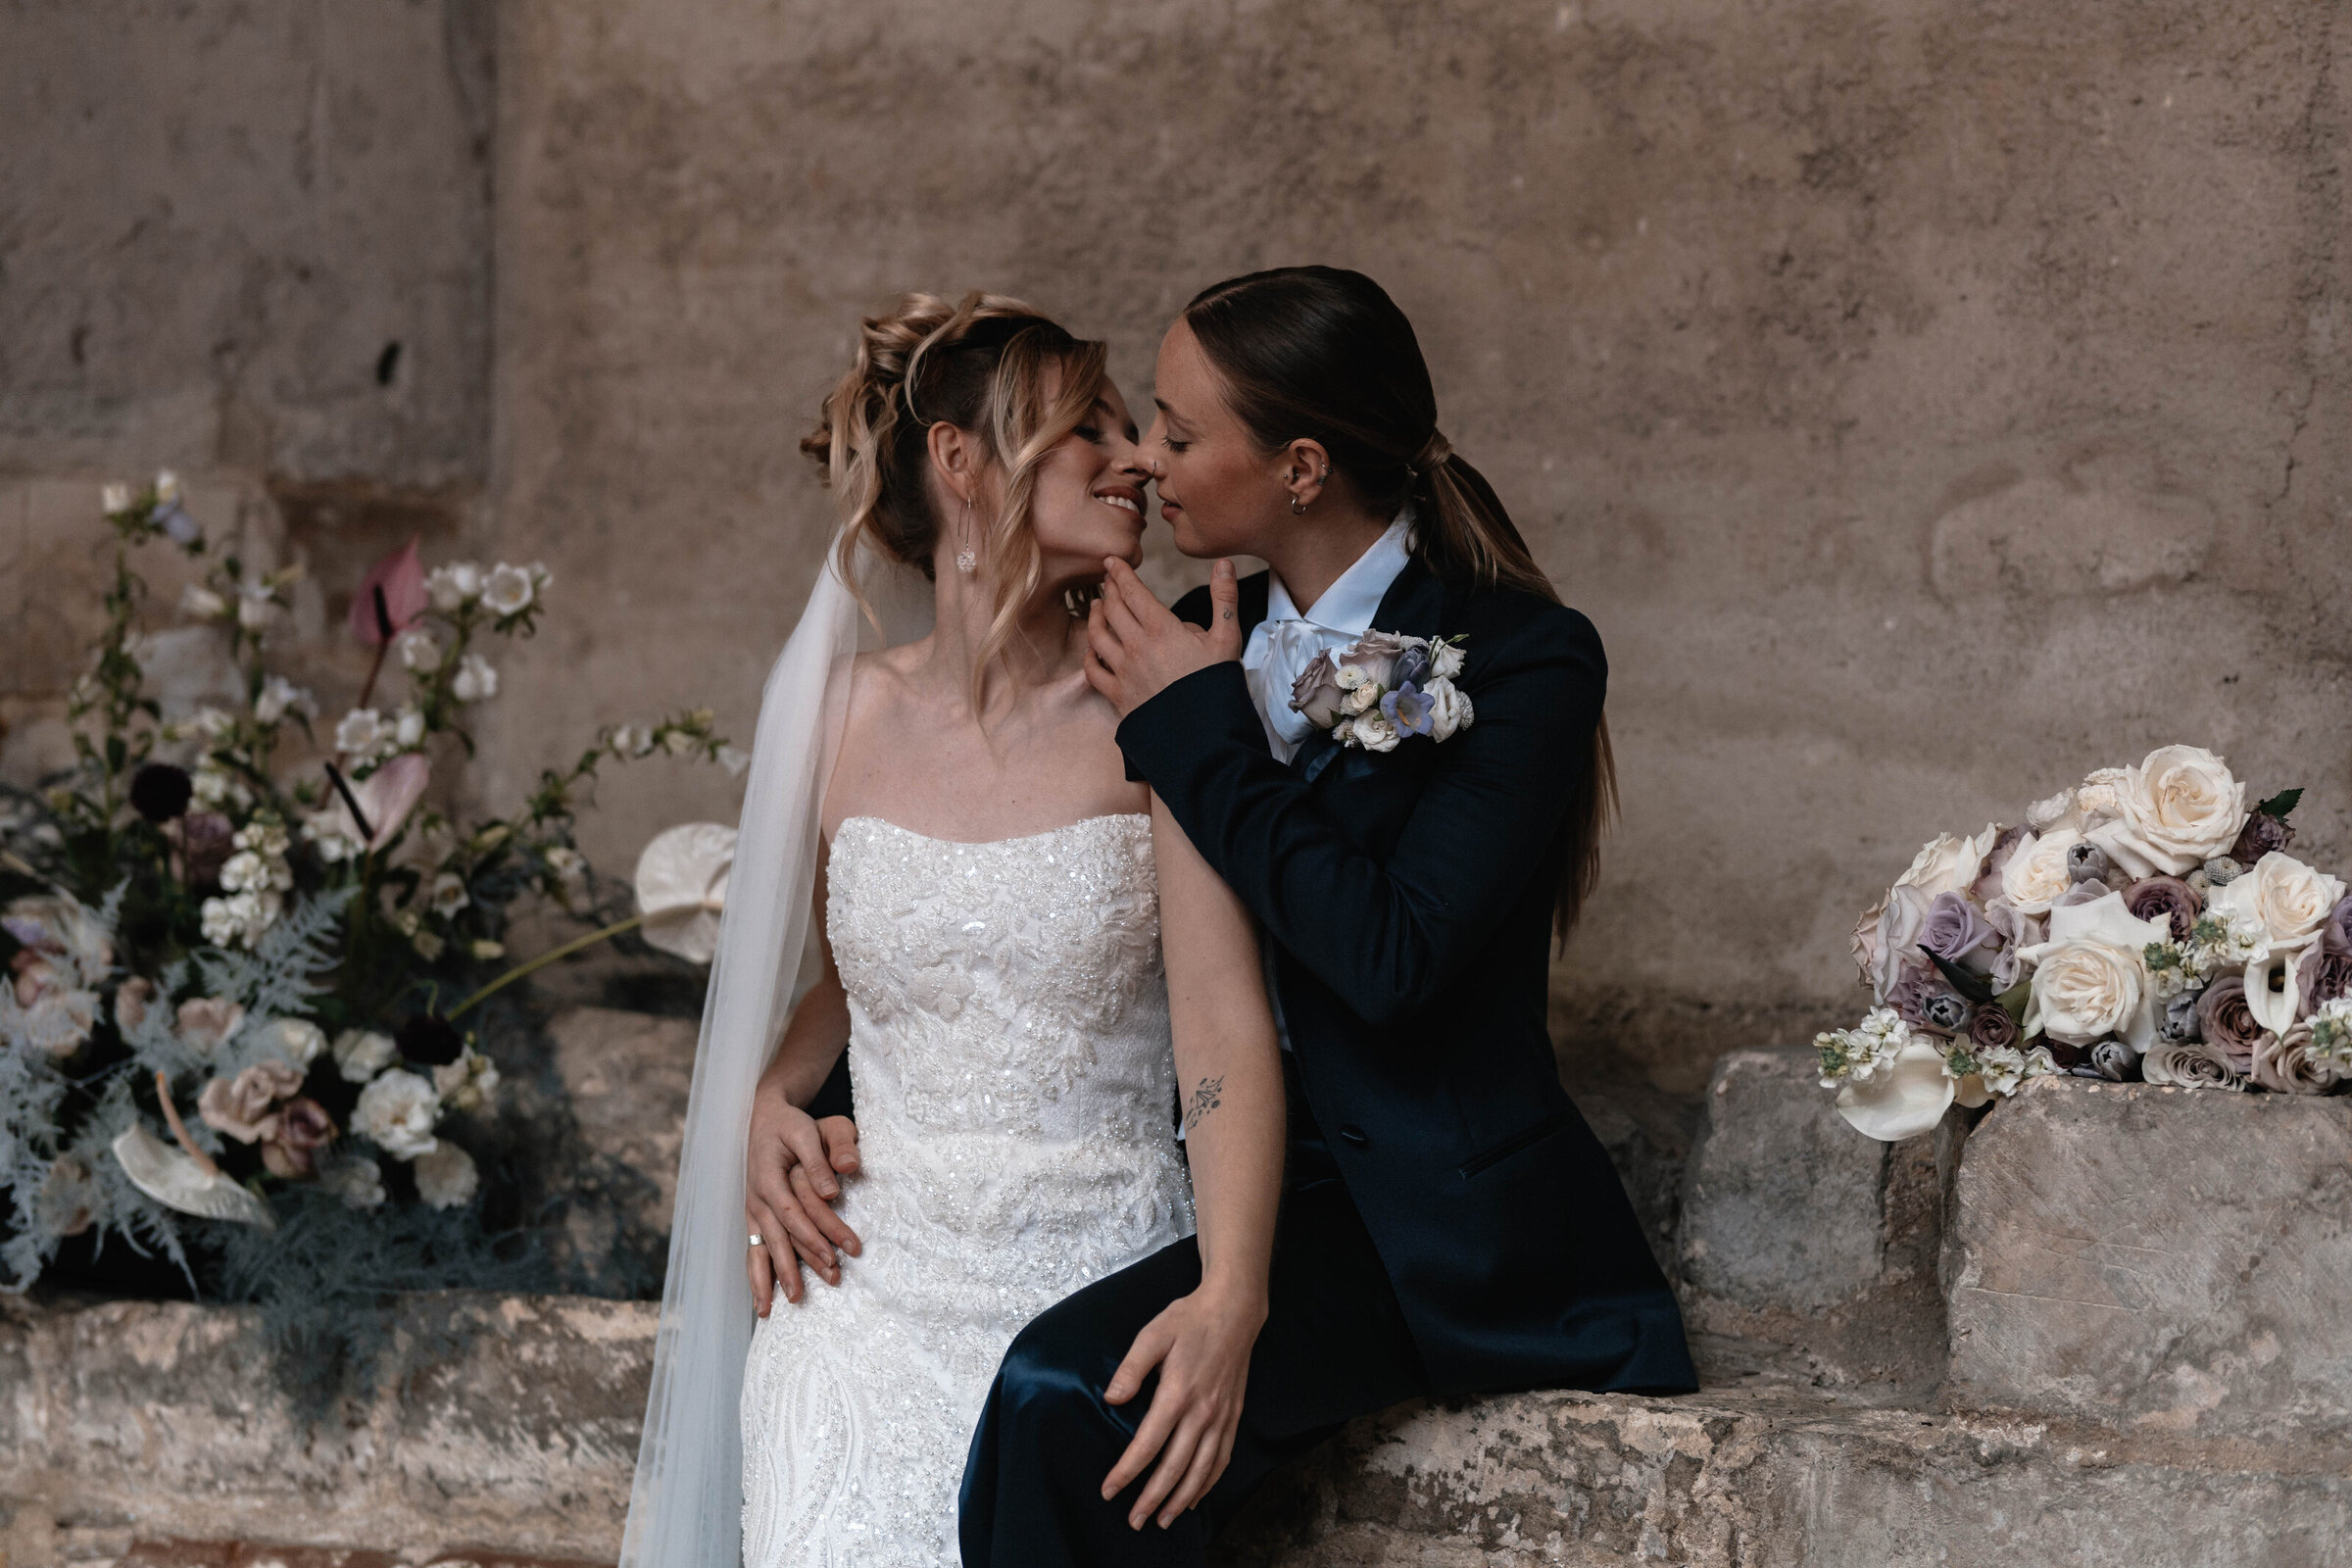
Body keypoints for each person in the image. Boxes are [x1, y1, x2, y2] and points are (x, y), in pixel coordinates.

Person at [956, 265, 1698, 1566]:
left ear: (1300, 467)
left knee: (1069, 1399)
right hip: (1212, 1173)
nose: (1142, 458)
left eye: (1179, 435)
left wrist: (1203, 733)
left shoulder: (1522, 658)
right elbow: (1030, 888)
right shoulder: (1182, 638)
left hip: (1413, 1218)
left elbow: (1392, 957)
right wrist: (819, 1091)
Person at [617, 292, 1285, 1568]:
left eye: (1136, 431)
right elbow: (844, 976)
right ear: (960, 461)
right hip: (865, 1278)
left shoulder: (1165, 702)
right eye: (1088, 428)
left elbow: (1222, 1027)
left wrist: (1231, 1297)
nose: (1136, 459)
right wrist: (768, 1096)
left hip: (1091, 1277)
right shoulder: (841, 712)